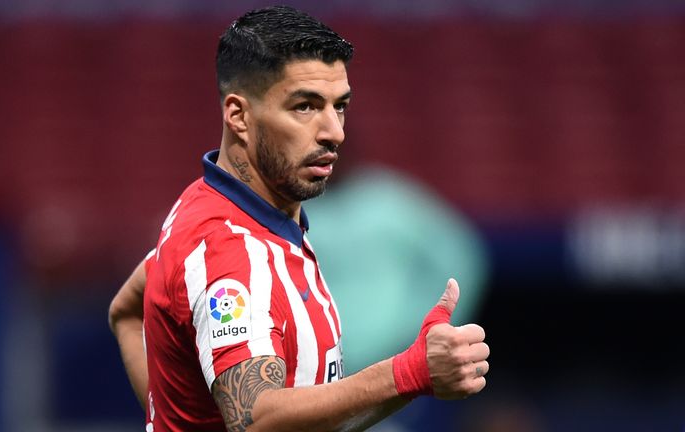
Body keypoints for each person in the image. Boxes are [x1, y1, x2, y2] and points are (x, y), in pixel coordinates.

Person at [108, 6, 490, 432]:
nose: (334, 132)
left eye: (338, 106)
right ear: (238, 116)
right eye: (305, 107)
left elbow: (127, 310)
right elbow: (255, 418)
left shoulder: (219, 209)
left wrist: (173, 415)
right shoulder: (230, 252)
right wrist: (406, 372)